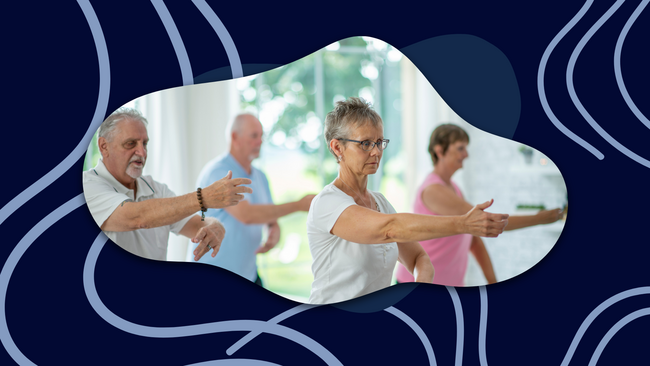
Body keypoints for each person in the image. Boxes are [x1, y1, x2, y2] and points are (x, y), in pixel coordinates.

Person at [307, 97, 510, 304]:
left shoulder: (381, 203)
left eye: (379, 142)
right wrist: (463, 223)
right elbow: (390, 228)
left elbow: (419, 258)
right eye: (365, 143)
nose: (376, 151)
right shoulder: (327, 203)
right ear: (337, 148)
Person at [395, 124, 564, 286]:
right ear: (439, 150)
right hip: (417, 282)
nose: (466, 155)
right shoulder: (433, 190)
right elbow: (490, 222)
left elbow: (474, 242)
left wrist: (492, 282)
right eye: (460, 148)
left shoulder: (455, 189)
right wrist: (539, 218)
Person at [83, 108, 253, 261]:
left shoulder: (157, 189)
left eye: (145, 143)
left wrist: (214, 225)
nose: (142, 152)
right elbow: (136, 217)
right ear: (104, 146)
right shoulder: (86, 186)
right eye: (130, 144)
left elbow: (195, 224)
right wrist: (203, 197)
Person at [186, 113, 315, 285]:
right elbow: (246, 215)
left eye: (261, 136)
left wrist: (274, 230)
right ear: (235, 137)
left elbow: (270, 217)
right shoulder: (217, 173)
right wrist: (299, 205)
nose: (260, 141)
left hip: (248, 274)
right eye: (254, 136)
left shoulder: (261, 177)